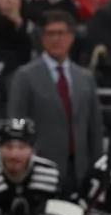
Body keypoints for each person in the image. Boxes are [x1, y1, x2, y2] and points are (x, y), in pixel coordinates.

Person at [7, 10, 105, 184]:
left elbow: (94, 128)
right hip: (39, 170)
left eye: (61, 33)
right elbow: (16, 124)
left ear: (71, 37)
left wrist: (97, 167)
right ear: (42, 38)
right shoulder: (25, 76)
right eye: (50, 33)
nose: (56, 39)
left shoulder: (85, 78)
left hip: (80, 170)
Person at [0, 117, 64, 215]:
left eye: (22, 147)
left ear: (33, 150)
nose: (14, 154)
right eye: (8, 147)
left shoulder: (49, 174)